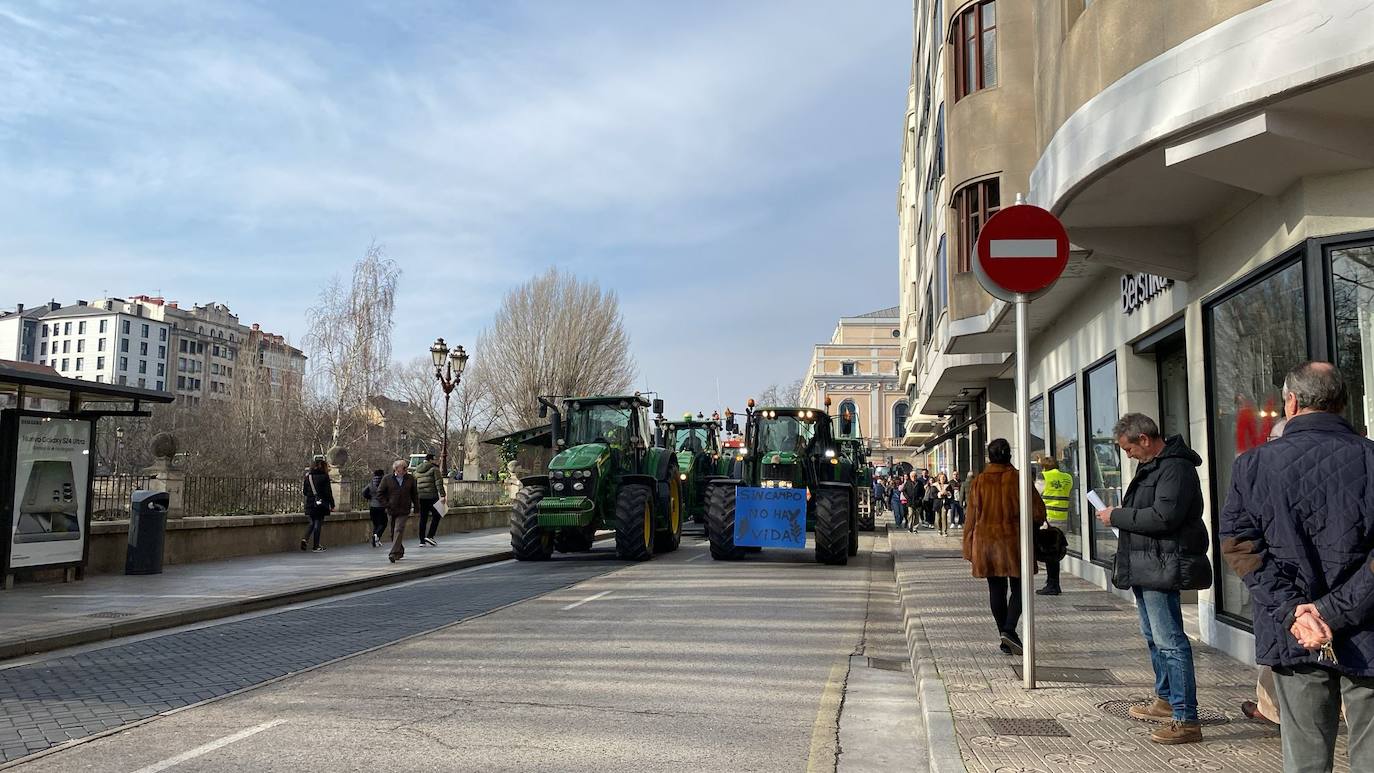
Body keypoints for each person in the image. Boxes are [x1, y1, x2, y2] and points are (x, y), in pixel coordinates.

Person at [1220, 362, 1374, 772]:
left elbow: (1240, 547)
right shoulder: (1373, 459)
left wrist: (1298, 612)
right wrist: (1331, 610)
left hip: (1296, 632)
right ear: (1342, 403)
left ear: (1290, 402)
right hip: (1369, 625)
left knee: (1305, 755)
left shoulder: (1252, 465)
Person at [1098, 412, 1211, 745]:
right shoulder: (1153, 466)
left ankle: (1186, 717)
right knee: (1153, 635)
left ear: (1144, 439)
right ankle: (1165, 699)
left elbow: (1164, 517)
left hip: (1162, 565)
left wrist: (1116, 515)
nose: (1128, 456)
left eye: (1129, 449)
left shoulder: (1175, 468)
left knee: (1170, 640)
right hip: (1147, 564)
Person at [963, 439, 1045, 656]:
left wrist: (968, 546)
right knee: (1020, 587)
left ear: (990, 457)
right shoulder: (1019, 479)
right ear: (1009, 456)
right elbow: (1038, 513)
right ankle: (1009, 630)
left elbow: (971, 517)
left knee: (996, 590)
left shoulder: (980, 481)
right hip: (1014, 543)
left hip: (988, 544)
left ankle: (1004, 635)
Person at [1037, 454, 1073, 596]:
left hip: (1048, 520)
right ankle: (1053, 583)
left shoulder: (1044, 478)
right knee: (1055, 551)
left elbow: (1034, 493)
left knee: (1048, 552)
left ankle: (1053, 584)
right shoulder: (1067, 478)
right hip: (1062, 519)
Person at [379, 459, 420, 563]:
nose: (406, 469)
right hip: (391, 509)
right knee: (393, 532)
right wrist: (386, 504)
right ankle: (399, 550)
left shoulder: (410, 479)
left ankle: (392, 553)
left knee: (399, 529)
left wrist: (416, 507)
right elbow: (380, 493)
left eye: (406, 467)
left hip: (404, 509)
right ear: (396, 469)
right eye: (404, 468)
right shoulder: (387, 479)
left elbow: (414, 494)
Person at [300, 456, 335, 553]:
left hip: (310, 503)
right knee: (318, 523)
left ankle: (305, 538)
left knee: (312, 522)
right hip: (321, 503)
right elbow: (328, 492)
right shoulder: (324, 477)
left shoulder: (308, 476)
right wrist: (332, 505)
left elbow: (305, 492)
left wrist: (312, 495)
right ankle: (316, 546)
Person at [413, 453, 447, 547]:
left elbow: (414, 483)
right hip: (432, 496)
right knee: (438, 514)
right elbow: (438, 483)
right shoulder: (434, 469)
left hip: (421, 497)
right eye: (434, 459)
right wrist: (443, 495)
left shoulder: (417, 470)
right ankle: (430, 536)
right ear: (431, 460)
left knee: (423, 519)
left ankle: (421, 541)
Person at [361, 468, 387, 548]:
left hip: (372, 506)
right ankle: (376, 536)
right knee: (383, 523)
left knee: (376, 524)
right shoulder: (384, 483)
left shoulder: (371, 483)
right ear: (382, 475)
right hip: (381, 507)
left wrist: (370, 497)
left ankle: (375, 540)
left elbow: (364, 492)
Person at [931, 472, 954, 536]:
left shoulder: (948, 485)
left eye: (944, 478)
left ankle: (945, 531)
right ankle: (939, 529)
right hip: (937, 503)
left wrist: (947, 493)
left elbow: (951, 494)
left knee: (944, 517)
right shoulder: (934, 485)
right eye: (942, 478)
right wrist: (939, 494)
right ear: (939, 478)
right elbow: (932, 495)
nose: (943, 479)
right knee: (938, 518)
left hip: (945, 503)